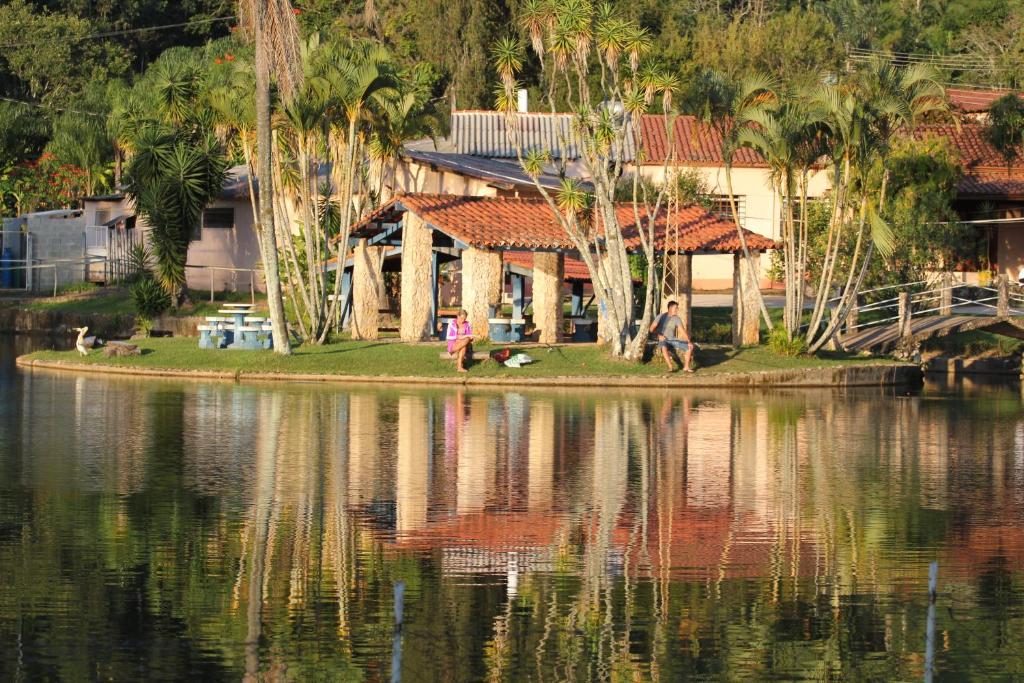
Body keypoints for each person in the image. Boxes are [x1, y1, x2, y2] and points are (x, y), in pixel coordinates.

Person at [650, 300, 696, 373]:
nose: (677, 310)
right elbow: (651, 328)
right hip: (662, 339)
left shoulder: (677, 318)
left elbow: (682, 331)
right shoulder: (661, 316)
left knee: (689, 347)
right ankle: (670, 367)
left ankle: (686, 367)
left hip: (672, 340)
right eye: (676, 308)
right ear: (670, 308)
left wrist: (688, 341)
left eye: (677, 308)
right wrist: (659, 335)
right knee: (664, 347)